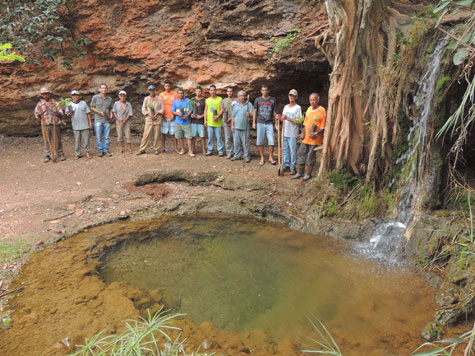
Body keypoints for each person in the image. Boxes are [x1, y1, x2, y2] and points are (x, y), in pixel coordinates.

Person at [292, 93, 327, 181]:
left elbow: (323, 127)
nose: (312, 102)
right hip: (306, 138)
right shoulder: (309, 109)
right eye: (310, 100)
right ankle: (300, 172)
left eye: (314, 100)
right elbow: (305, 124)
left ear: (318, 100)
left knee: (310, 156)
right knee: (301, 154)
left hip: (314, 139)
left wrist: (316, 133)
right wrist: (303, 133)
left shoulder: (322, 110)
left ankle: (308, 174)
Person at [34, 87, 66, 162]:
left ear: (49, 94)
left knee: (57, 139)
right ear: (41, 95)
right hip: (45, 123)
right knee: (46, 140)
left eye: (46, 94)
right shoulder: (39, 104)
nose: (45, 95)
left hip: (55, 122)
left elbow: (61, 113)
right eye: (43, 94)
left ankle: (60, 153)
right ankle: (47, 155)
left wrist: (57, 112)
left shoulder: (55, 103)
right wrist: (39, 114)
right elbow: (36, 114)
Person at [280, 89, 303, 175]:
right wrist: (279, 118)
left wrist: (288, 118)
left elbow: (299, 121)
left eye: (293, 95)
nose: (291, 97)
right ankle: (286, 165)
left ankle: (293, 167)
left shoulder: (297, 108)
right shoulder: (285, 107)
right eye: (290, 95)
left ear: (296, 97)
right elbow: (283, 118)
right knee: (285, 149)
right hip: (285, 131)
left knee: (293, 150)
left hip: (293, 132)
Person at [253, 85, 277, 166]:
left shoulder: (273, 100)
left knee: (272, 140)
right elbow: (255, 111)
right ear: (261, 91)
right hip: (260, 122)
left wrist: (276, 122)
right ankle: (262, 157)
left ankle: (270, 157)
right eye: (263, 90)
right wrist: (253, 122)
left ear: (268, 90)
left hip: (269, 122)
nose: (264, 92)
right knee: (260, 141)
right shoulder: (258, 100)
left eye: (266, 90)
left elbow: (274, 112)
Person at [137, 85, 165, 155]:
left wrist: (157, 114)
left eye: (153, 89)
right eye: (150, 90)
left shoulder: (159, 99)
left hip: (157, 119)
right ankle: (142, 149)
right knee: (146, 135)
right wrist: (148, 114)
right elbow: (143, 108)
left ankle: (156, 148)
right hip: (149, 120)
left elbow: (162, 108)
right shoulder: (146, 99)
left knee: (157, 135)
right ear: (148, 91)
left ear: (155, 90)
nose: (152, 91)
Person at [67, 90, 93, 159]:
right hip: (76, 125)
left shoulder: (83, 103)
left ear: (79, 96)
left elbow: (88, 113)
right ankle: (77, 153)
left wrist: (90, 122)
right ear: (72, 96)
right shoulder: (69, 104)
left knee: (86, 140)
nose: (75, 96)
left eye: (77, 95)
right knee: (77, 140)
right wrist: (69, 114)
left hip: (85, 125)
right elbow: (67, 114)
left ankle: (87, 152)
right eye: (74, 95)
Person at [91, 84, 114, 157]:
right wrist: (99, 112)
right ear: (100, 89)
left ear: (107, 89)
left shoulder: (109, 99)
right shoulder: (95, 98)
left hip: (107, 120)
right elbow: (92, 107)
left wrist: (111, 115)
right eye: (102, 88)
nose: (104, 90)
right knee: (99, 137)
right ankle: (101, 151)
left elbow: (111, 108)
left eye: (105, 88)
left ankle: (106, 150)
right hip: (98, 120)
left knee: (107, 137)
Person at [231, 90, 253, 162]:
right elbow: (233, 116)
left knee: (246, 143)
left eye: (242, 95)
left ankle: (246, 156)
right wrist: (232, 125)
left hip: (245, 127)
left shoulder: (249, 105)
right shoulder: (235, 105)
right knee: (236, 142)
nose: (241, 97)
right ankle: (237, 155)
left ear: (245, 96)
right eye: (239, 96)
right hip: (236, 127)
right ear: (238, 97)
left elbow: (253, 115)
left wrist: (249, 115)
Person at [172, 88, 194, 157]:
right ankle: (183, 149)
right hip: (178, 122)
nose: (181, 94)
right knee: (179, 136)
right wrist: (177, 113)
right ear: (177, 94)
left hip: (186, 121)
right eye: (179, 93)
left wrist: (187, 115)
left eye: (182, 93)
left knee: (189, 137)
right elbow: (173, 111)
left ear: (184, 94)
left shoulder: (188, 101)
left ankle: (190, 151)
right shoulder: (175, 102)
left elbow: (191, 109)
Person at [160, 80, 179, 153]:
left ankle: (175, 148)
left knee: (174, 133)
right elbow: (160, 106)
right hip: (164, 116)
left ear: (170, 86)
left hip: (173, 117)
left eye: (168, 86)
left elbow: (177, 105)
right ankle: (163, 147)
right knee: (163, 133)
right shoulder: (161, 95)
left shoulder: (175, 94)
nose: (167, 87)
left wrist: (175, 115)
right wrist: (162, 116)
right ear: (164, 86)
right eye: (166, 86)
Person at [204, 84, 224, 156]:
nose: (212, 92)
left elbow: (222, 109)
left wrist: (218, 116)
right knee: (210, 137)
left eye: (214, 90)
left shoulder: (220, 99)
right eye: (211, 90)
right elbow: (205, 110)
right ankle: (210, 150)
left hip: (218, 122)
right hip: (210, 122)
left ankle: (220, 150)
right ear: (209, 91)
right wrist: (205, 120)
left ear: (216, 91)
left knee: (219, 137)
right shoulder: (207, 100)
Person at [190, 86, 207, 155]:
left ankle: (204, 149)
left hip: (201, 121)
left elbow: (206, 111)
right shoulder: (192, 100)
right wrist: (191, 115)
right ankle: (193, 149)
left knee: (202, 136)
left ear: (201, 92)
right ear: (195, 92)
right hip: (193, 121)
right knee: (193, 136)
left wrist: (201, 116)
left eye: (199, 91)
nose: (198, 92)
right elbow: (190, 109)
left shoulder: (204, 100)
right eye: (197, 91)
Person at [221, 87, 236, 159]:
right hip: (226, 122)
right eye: (228, 91)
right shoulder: (224, 101)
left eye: (231, 91)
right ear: (226, 92)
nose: (229, 93)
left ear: (233, 92)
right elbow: (223, 110)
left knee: (236, 139)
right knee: (227, 138)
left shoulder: (236, 100)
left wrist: (231, 117)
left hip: (235, 122)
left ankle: (236, 152)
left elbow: (238, 110)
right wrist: (224, 117)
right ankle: (229, 152)